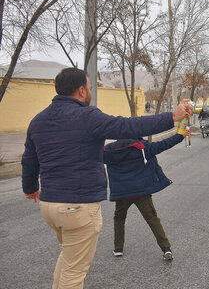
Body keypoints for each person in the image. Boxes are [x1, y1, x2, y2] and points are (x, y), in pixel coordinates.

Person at [21, 68, 192, 289]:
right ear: (81, 91)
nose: (91, 92)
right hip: (78, 207)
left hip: (49, 205)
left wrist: (30, 187)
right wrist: (173, 117)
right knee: (74, 273)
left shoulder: (38, 120)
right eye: (91, 88)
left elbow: (29, 159)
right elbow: (127, 126)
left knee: (68, 260)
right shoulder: (87, 117)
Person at [103, 127, 190, 261]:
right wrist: (180, 136)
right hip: (141, 192)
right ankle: (166, 249)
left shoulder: (109, 150)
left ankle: (118, 248)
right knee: (152, 219)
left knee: (119, 218)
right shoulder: (143, 147)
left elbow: (91, 154)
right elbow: (164, 144)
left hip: (121, 193)